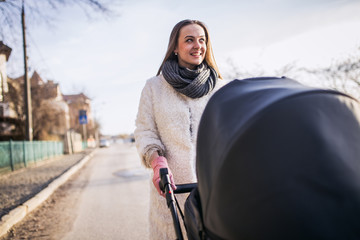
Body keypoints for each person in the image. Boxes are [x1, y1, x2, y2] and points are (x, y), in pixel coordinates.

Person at [134, 19, 227, 239]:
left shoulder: (221, 88)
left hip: (212, 189)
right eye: (189, 40)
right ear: (175, 47)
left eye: (202, 40)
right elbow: (144, 130)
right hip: (170, 189)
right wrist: (156, 161)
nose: (198, 45)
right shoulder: (154, 87)